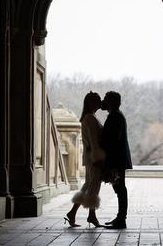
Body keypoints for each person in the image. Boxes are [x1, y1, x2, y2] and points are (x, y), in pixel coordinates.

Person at [64, 91, 105, 228]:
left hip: (90, 156)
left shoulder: (88, 117)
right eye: (98, 100)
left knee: (88, 185)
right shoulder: (90, 119)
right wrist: (97, 157)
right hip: (93, 157)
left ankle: (73, 213)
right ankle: (91, 216)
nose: (101, 102)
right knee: (93, 185)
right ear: (92, 103)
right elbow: (93, 141)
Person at [100, 91, 132, 229]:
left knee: (120, 188)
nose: (103, 101)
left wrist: (109, 163)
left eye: (105, 99)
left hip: (116, 160)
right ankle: (120, 218)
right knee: (119, 188)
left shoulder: (115, 117)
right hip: (118, 159)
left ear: (112, 102)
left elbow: (112, 141)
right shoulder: (116, 115)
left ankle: (121, 219)